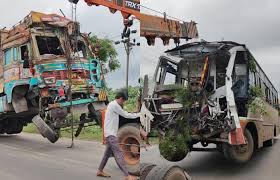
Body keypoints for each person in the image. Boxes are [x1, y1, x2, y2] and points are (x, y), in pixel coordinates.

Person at [97, 90, 139, 180]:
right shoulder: (115, 105)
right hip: (111, 134)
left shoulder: (112, 104)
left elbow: (123, 113)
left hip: (109, 133)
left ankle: (99, 171)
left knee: (106, 154)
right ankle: (127, 176)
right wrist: (138, 115)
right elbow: (125, 114)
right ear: (120, 98)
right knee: (119, 154)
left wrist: (134, 113)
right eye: (123, 101)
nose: (123, 103)